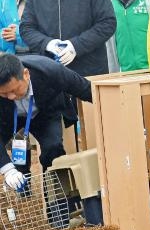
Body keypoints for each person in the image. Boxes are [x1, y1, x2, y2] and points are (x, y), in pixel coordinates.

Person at [0, 53, 92, 197]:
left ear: (26, 74)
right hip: (8, 119)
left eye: (14, 90)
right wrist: (8, 170)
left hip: (45, 113)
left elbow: (87, 89)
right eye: (4, 94)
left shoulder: (50, 71)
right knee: (19, 157)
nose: (11, 96)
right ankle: (23, 186)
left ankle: (57, 199)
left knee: (53, 148)